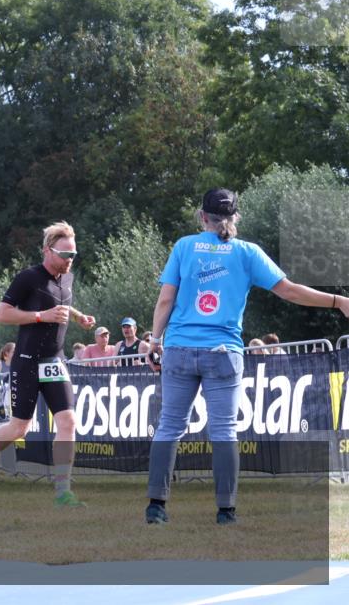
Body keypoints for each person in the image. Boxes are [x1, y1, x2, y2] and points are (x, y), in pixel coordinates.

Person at [145, 188, 349, 525]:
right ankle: (226, 511)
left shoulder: (184, 246)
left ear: (202, 216)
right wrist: (337, 301)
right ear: (235, 217)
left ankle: (156, 506)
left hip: (180, 348)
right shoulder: (247, 252)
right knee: (224, 430)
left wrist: (154, 341)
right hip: (224, 352)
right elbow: (289, 290)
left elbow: (166, 300)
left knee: (169, 426)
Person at [0, 221, 96, 507]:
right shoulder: (28, 277)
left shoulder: (68, 278)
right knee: (20, 428)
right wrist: (41, 316)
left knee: (68, 421)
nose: (69, 261)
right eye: (64, 255)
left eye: (73, 255)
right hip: (27, 361)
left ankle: (63, 491)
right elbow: (2, 314)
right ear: (47, 251)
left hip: (54, 360)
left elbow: (60, 302)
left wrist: (78, 317)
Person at [0, 342, 15, 421]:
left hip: (14, 400)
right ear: (7, 353)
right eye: (14, 352)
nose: (17, 353)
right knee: (1, 423)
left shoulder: (18, 365)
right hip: (0, 402)